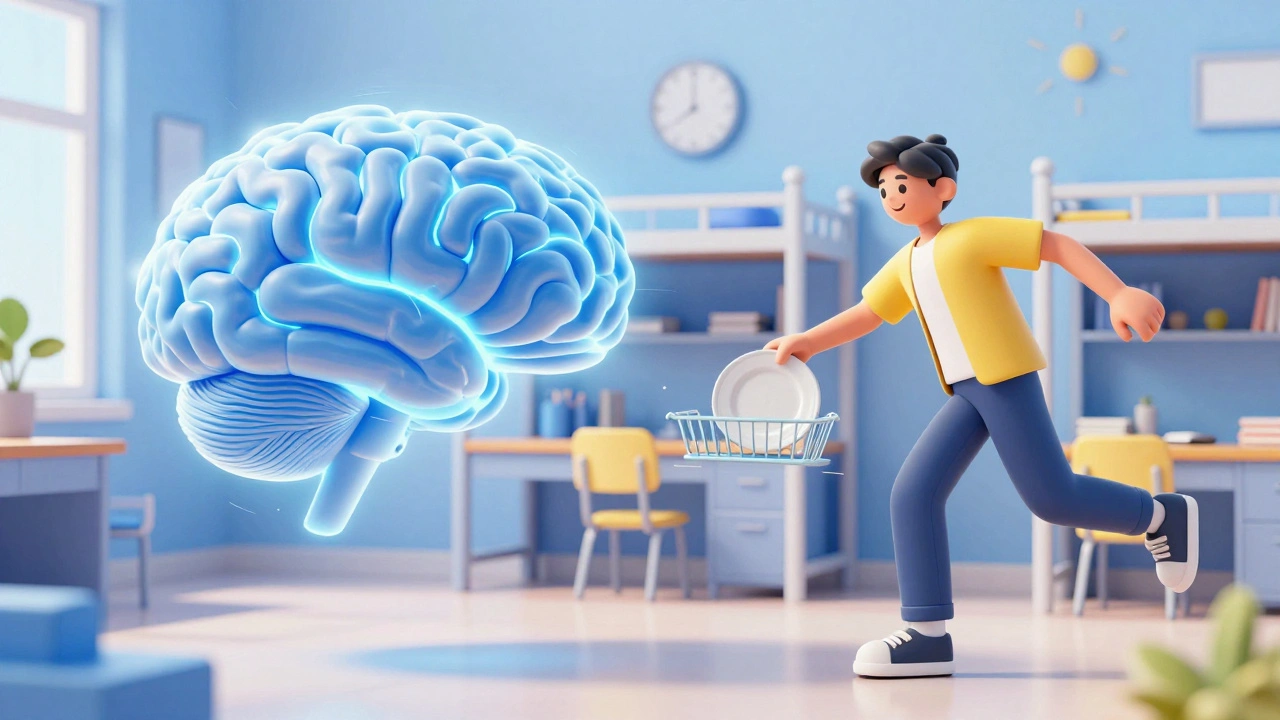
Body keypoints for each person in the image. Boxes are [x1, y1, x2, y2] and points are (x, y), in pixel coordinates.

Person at [767, 134, 1198, 679]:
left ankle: (1161, 515)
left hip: (1004, 379)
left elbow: (1057, 245)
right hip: (966, 390)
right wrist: (807, 341)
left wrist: (1116, 293)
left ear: (942, 189)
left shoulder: (971, 237)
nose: (892, 196)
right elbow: (869, 312)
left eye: (902, 184)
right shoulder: (906, 262)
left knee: (1053, 498)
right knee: (913, 494)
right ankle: (926, 635)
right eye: (885, 188)